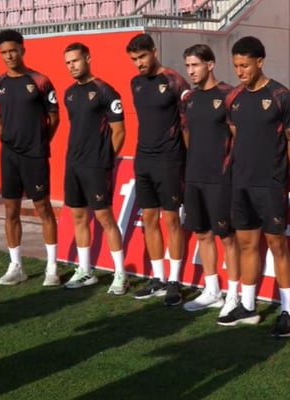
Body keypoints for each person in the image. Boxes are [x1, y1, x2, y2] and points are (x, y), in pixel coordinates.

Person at [217, 36, 290, 337]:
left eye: (245, 65)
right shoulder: (233, 98)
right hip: (241, 183)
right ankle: (248, 305)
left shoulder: (282, 96)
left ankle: (287, 311)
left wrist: (279, 174)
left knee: (277, 245)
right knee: (247, 245)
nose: (240, 71)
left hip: (270, 185)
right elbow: (235, 133)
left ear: (260, 62)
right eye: (236, 66)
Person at [0, 29, 60, 287]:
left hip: (35, 155)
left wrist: (39, 142)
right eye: (4, 52)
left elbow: (54, 118)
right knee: (11, 210)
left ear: (22, 50)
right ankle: (16, 266)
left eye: (13, 51)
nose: (9, 56)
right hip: (9, 156)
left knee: (44, 209)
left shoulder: (40, 81)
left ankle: (51, 267)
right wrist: (9, 138)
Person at [126, 33, 190, 306]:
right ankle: (158, 278)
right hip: (143, 160)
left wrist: (189, 159)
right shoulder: (136, 83)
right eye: (134, 59)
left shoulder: (175, 81)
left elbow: (187, 125)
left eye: (142, 57)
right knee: (149, 219)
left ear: (154, 51)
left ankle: (174, 281)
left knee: (171, 220)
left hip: (170, 160)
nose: (139, 63)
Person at [61, 42, 128, 295]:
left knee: (105, 218)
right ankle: (85, 270)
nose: (72, 66)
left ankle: (120, 274)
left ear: (88, 59)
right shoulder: (69, 93)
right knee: (78, 217)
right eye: (68, 63)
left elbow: (119, 131)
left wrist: (104, 161)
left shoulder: (105, 91)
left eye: (76, 61)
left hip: (96, 167)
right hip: (73, 164)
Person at [180, 44, 240, 317]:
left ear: (210, 64)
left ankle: (234, 295)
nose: (191, 71)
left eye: (195, 65)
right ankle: (212, 290)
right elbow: (187, 135)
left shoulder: (229, 95)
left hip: (221, 178)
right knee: (202, 233)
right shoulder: (189, 98)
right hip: (195, 176)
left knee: (227, 237)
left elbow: (238, 137)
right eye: (188, 66)